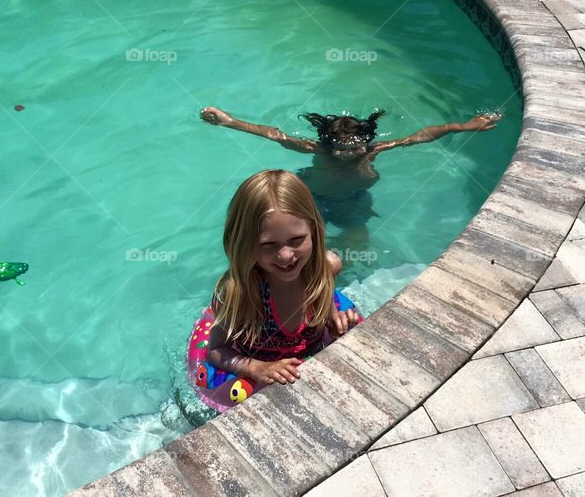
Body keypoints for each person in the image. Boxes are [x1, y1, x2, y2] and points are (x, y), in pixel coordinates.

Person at [200, 107, 501, 248]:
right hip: (312, 199)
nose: (346, 154)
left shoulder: (373, 150)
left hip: (353, 200)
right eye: (340, 149)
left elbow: (421, 137)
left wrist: (462, 126)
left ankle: (335, 281)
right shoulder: (316, 149)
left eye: (354, 148)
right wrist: (230, 122)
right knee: (304, 243)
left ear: (365, 143)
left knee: (358, 241)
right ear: (329, 144)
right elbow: (273, 135)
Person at [203, 169, 362, 387]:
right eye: (268, 244)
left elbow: (326, 316)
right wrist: (256, 367)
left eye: (297, 239)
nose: (286, 255)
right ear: (243, 243)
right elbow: (215, 350)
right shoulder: (238, 293)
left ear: (314, 230)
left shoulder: (325, 270)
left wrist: (335, 327)